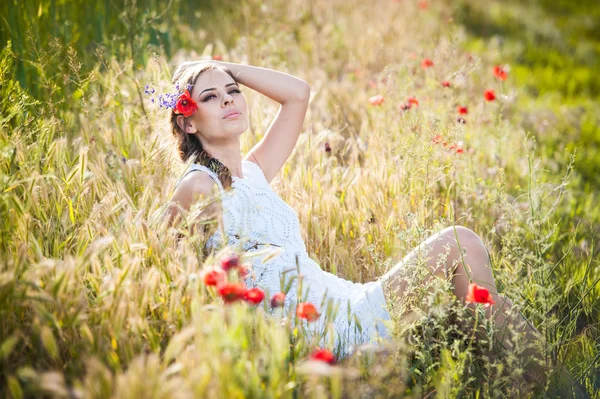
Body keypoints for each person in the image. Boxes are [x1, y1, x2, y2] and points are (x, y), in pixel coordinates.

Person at [161, 60, 585, 395]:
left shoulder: (252, 172)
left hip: (338, 300)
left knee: (464, 299)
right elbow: (157, 256)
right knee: (461, 243)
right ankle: (559, 386)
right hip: (320, 326)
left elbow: (298, 95)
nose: (231, 100)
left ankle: (531, 379)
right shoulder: (201, 184)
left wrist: (220, 68)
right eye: (212, 98)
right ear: (188, 121)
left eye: (234, 92)